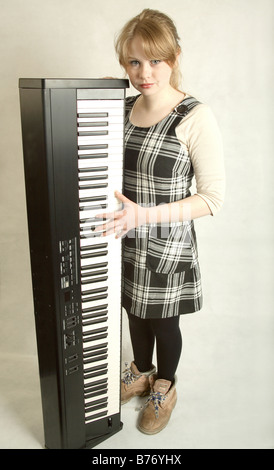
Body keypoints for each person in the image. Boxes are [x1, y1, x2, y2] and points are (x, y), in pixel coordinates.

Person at [95, 8, 225, 435]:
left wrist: (144, 215)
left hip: (167, 242)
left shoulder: (193, 116)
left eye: (155, 60)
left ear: (174, 57)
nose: (144, 72)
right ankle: (140, 371)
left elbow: (212, 199)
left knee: (163, 321)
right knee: (133, 311)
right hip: (125, 237)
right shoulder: (124, 108)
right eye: (134, 61)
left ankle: (164, 386)